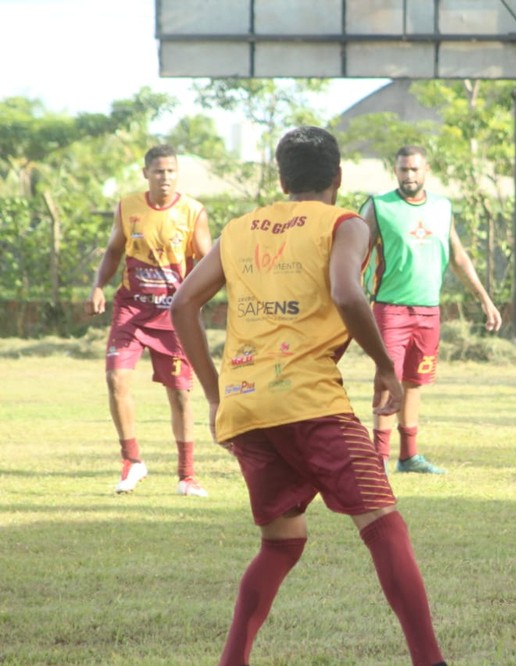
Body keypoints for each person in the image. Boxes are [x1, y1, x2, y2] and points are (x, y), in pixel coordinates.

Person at [170, 126, 446, 666]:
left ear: (281, 179)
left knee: (282, 543)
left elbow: (183, 305)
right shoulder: (345, 224)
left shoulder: (240, 228)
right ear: (338, 178)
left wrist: (213, 394)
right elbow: (346, 291)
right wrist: (387, 369)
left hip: (246, 406)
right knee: (385, 525)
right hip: (309, 403)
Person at [361, 145, 502, 474]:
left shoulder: (443, 208)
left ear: (426, 170)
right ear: (395, 171)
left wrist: (484, 298)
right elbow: (358, 255)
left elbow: (459, 257)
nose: (408, 175)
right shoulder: (379, 207)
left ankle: (409, 457)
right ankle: (377, 459)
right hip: (390, 309)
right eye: (403, 170)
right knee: (386, 380)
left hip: (428, 311)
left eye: (414, 169)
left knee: (414, 381)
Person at [85, 144, 212, 497]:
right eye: (159, 171)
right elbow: (113, 250)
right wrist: (98, 287)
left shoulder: (193, 211)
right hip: (130, 309)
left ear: (177, 174)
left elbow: (208, 262)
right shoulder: (128, 207)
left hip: (172, 316)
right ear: (146, 174)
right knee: (115, 378)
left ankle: (187, 475)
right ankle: (132, 462)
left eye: (171, 171)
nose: (165, 177)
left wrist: (194, 303)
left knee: (181, 395)